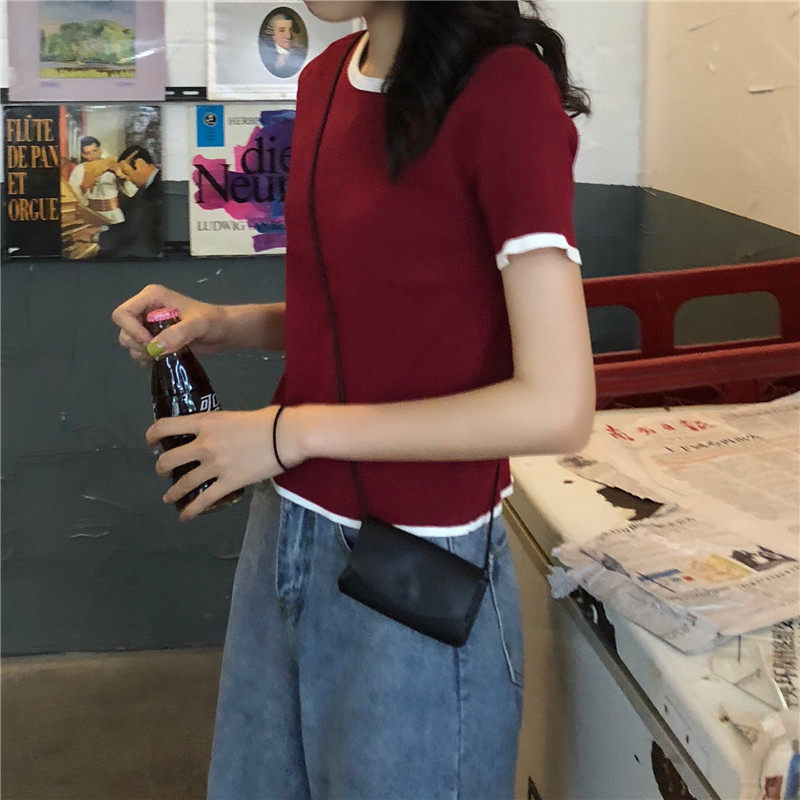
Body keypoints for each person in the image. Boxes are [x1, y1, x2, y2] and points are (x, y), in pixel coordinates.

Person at [111, 2, 594, 797]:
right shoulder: (325, 79)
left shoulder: (505, 89)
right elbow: (366, 310)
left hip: (417, 559)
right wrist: (223, 324)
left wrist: (288, 434)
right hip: (286, 531)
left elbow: (557, 405)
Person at [83, 145, 162, 258]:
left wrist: (95, 237)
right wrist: (101, 229)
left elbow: (133, 229)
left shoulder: (159, 187)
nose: (127, 178)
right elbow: (132, 221)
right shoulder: (148, 186)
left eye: (127, 173)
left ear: (140, 164)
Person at [67, 136, 138, 225]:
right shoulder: (80, 169)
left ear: (100, 149)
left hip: (114, 215)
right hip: (93, 215)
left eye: (95, 151)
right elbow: (73, 189)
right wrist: (85, 203)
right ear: (83, 155)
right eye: (88, 153)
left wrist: (122, 176)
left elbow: (131, 193)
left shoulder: (114, 164)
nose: (92, 155)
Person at [258, 10, 307, 78]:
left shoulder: (301, 55)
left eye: (290, 30)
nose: (288, 36)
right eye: (282, 30)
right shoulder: (265, 55)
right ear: (272, 33)